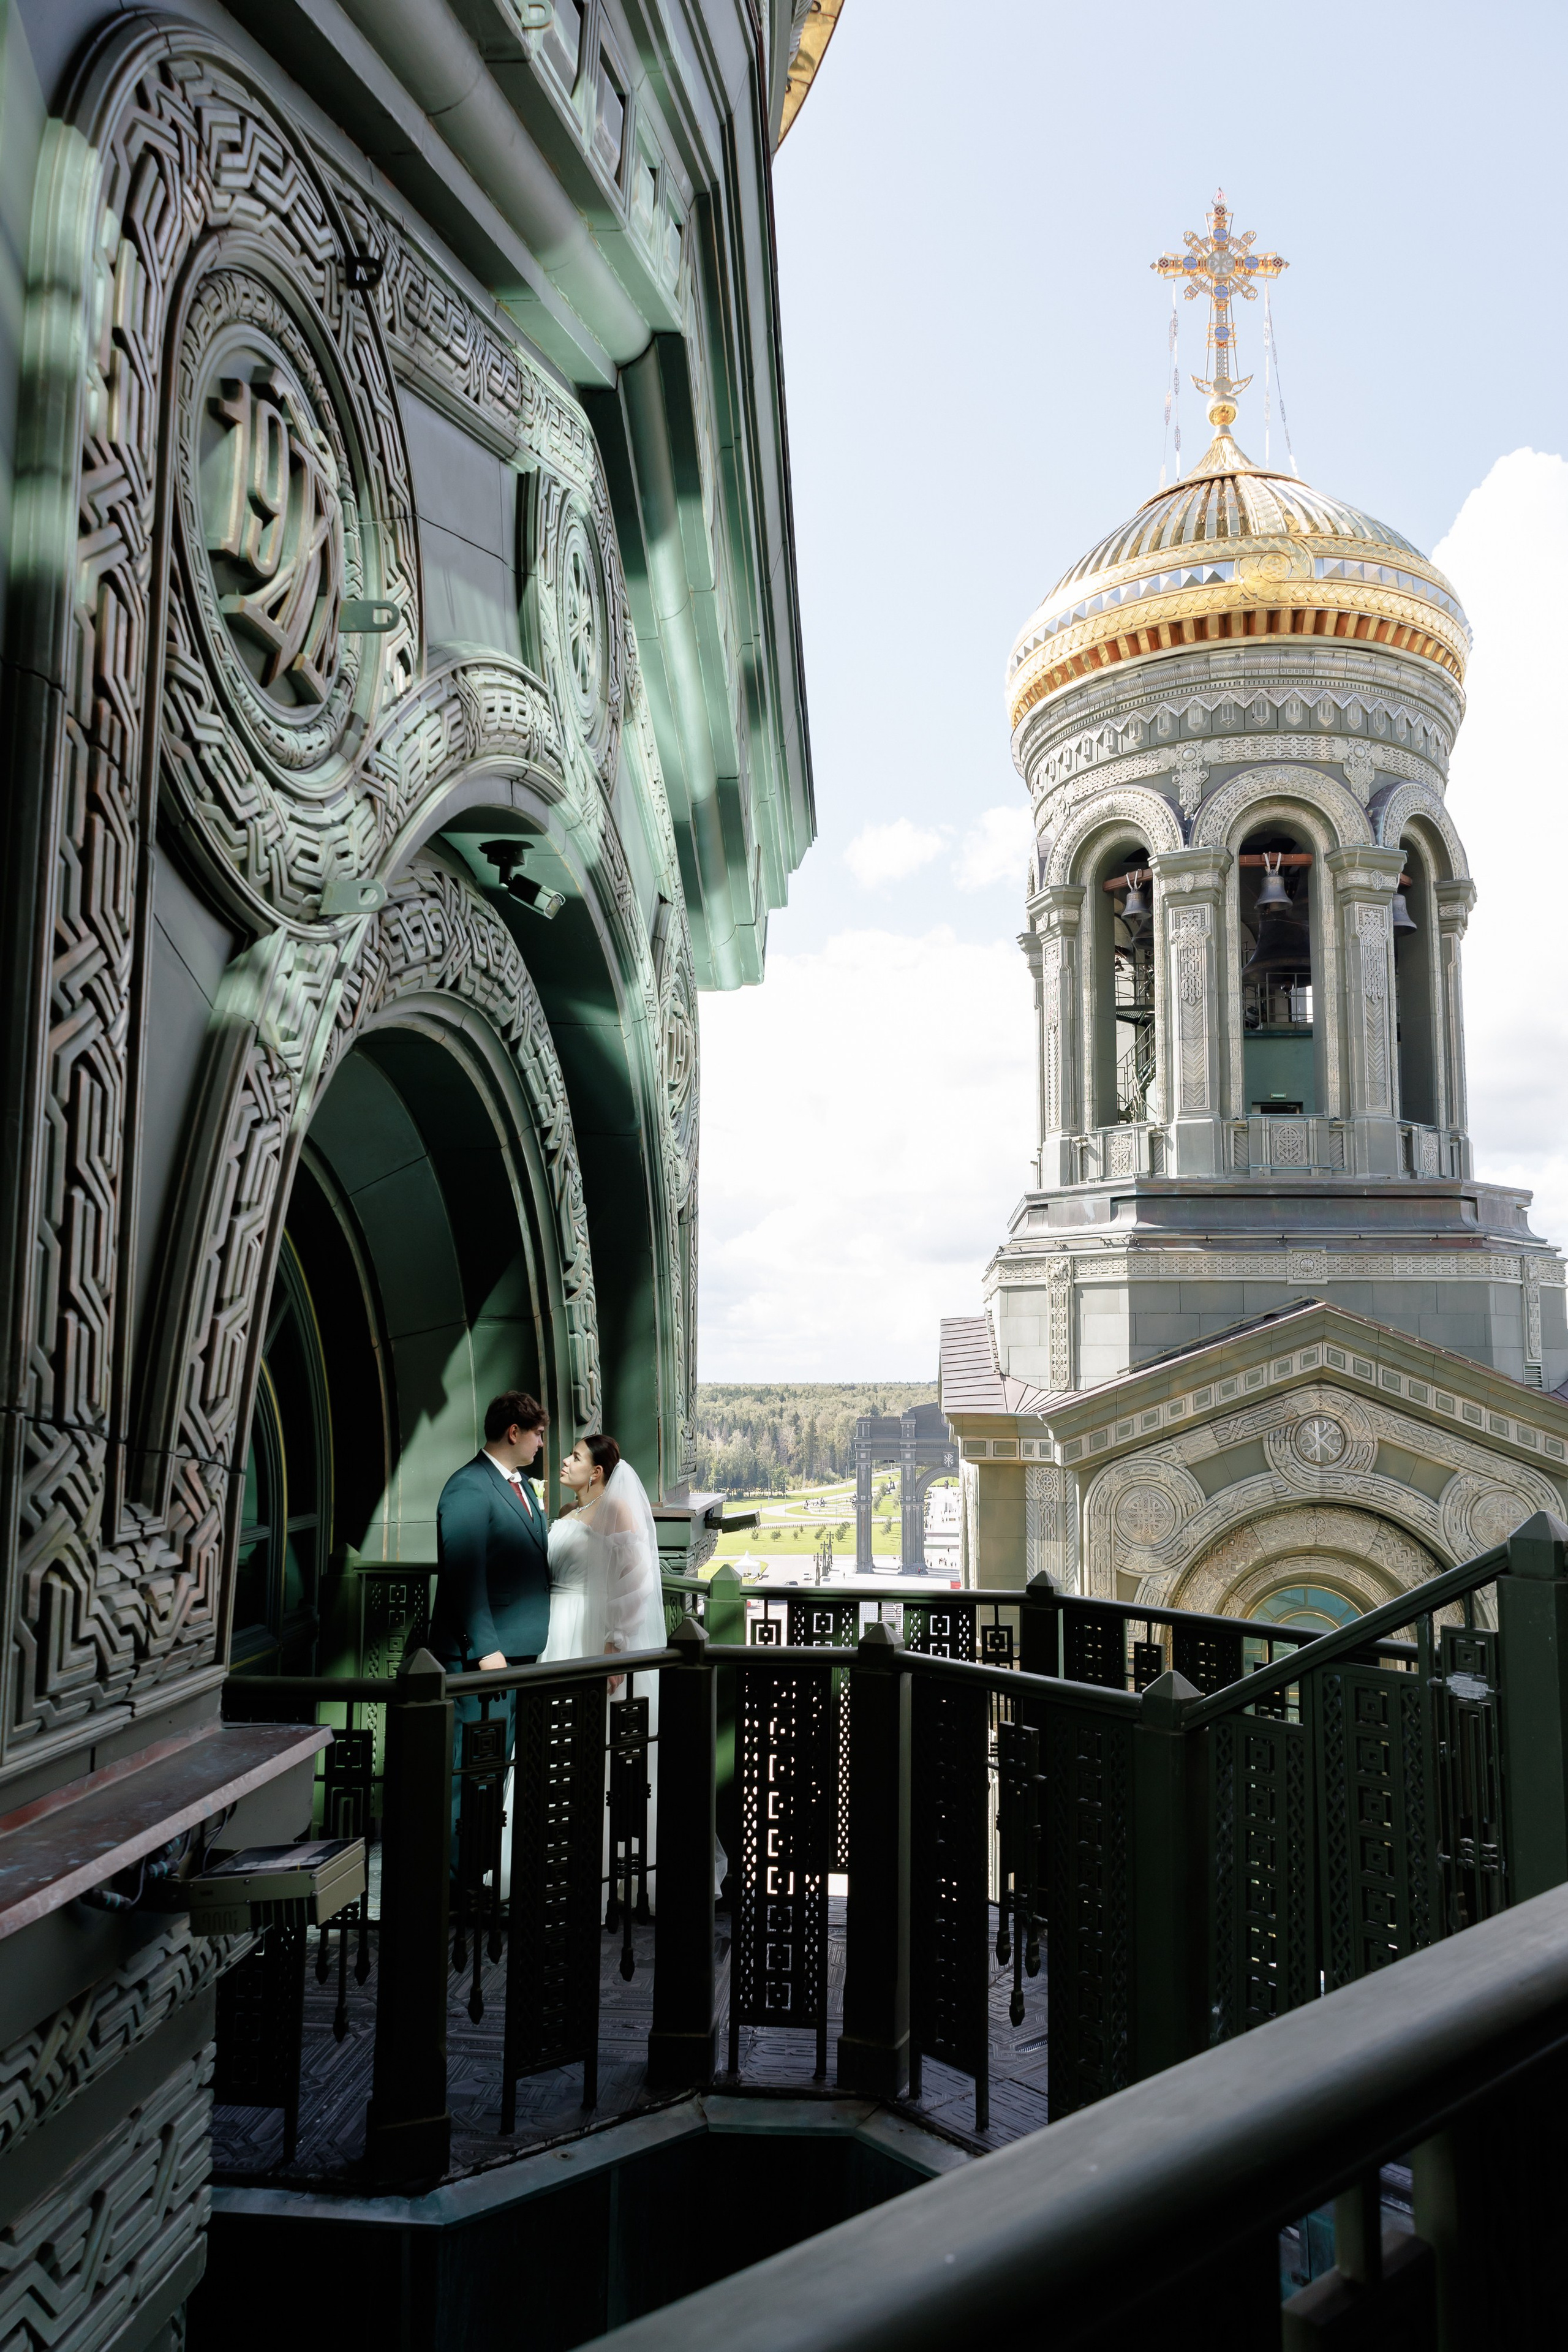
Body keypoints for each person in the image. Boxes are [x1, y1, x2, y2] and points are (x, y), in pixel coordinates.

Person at [430, 1390, 551, 1863]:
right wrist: (485, 1650)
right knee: (471, 1769)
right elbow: (464, 1574)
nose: (542, 1444)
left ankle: (480, 1868)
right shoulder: (468, 1486)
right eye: (538, 1434)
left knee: (496, 1768)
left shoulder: (519, 1485)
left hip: (519, 1656)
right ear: (514, 1432)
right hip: (486, 1659)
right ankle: (457, 1879)